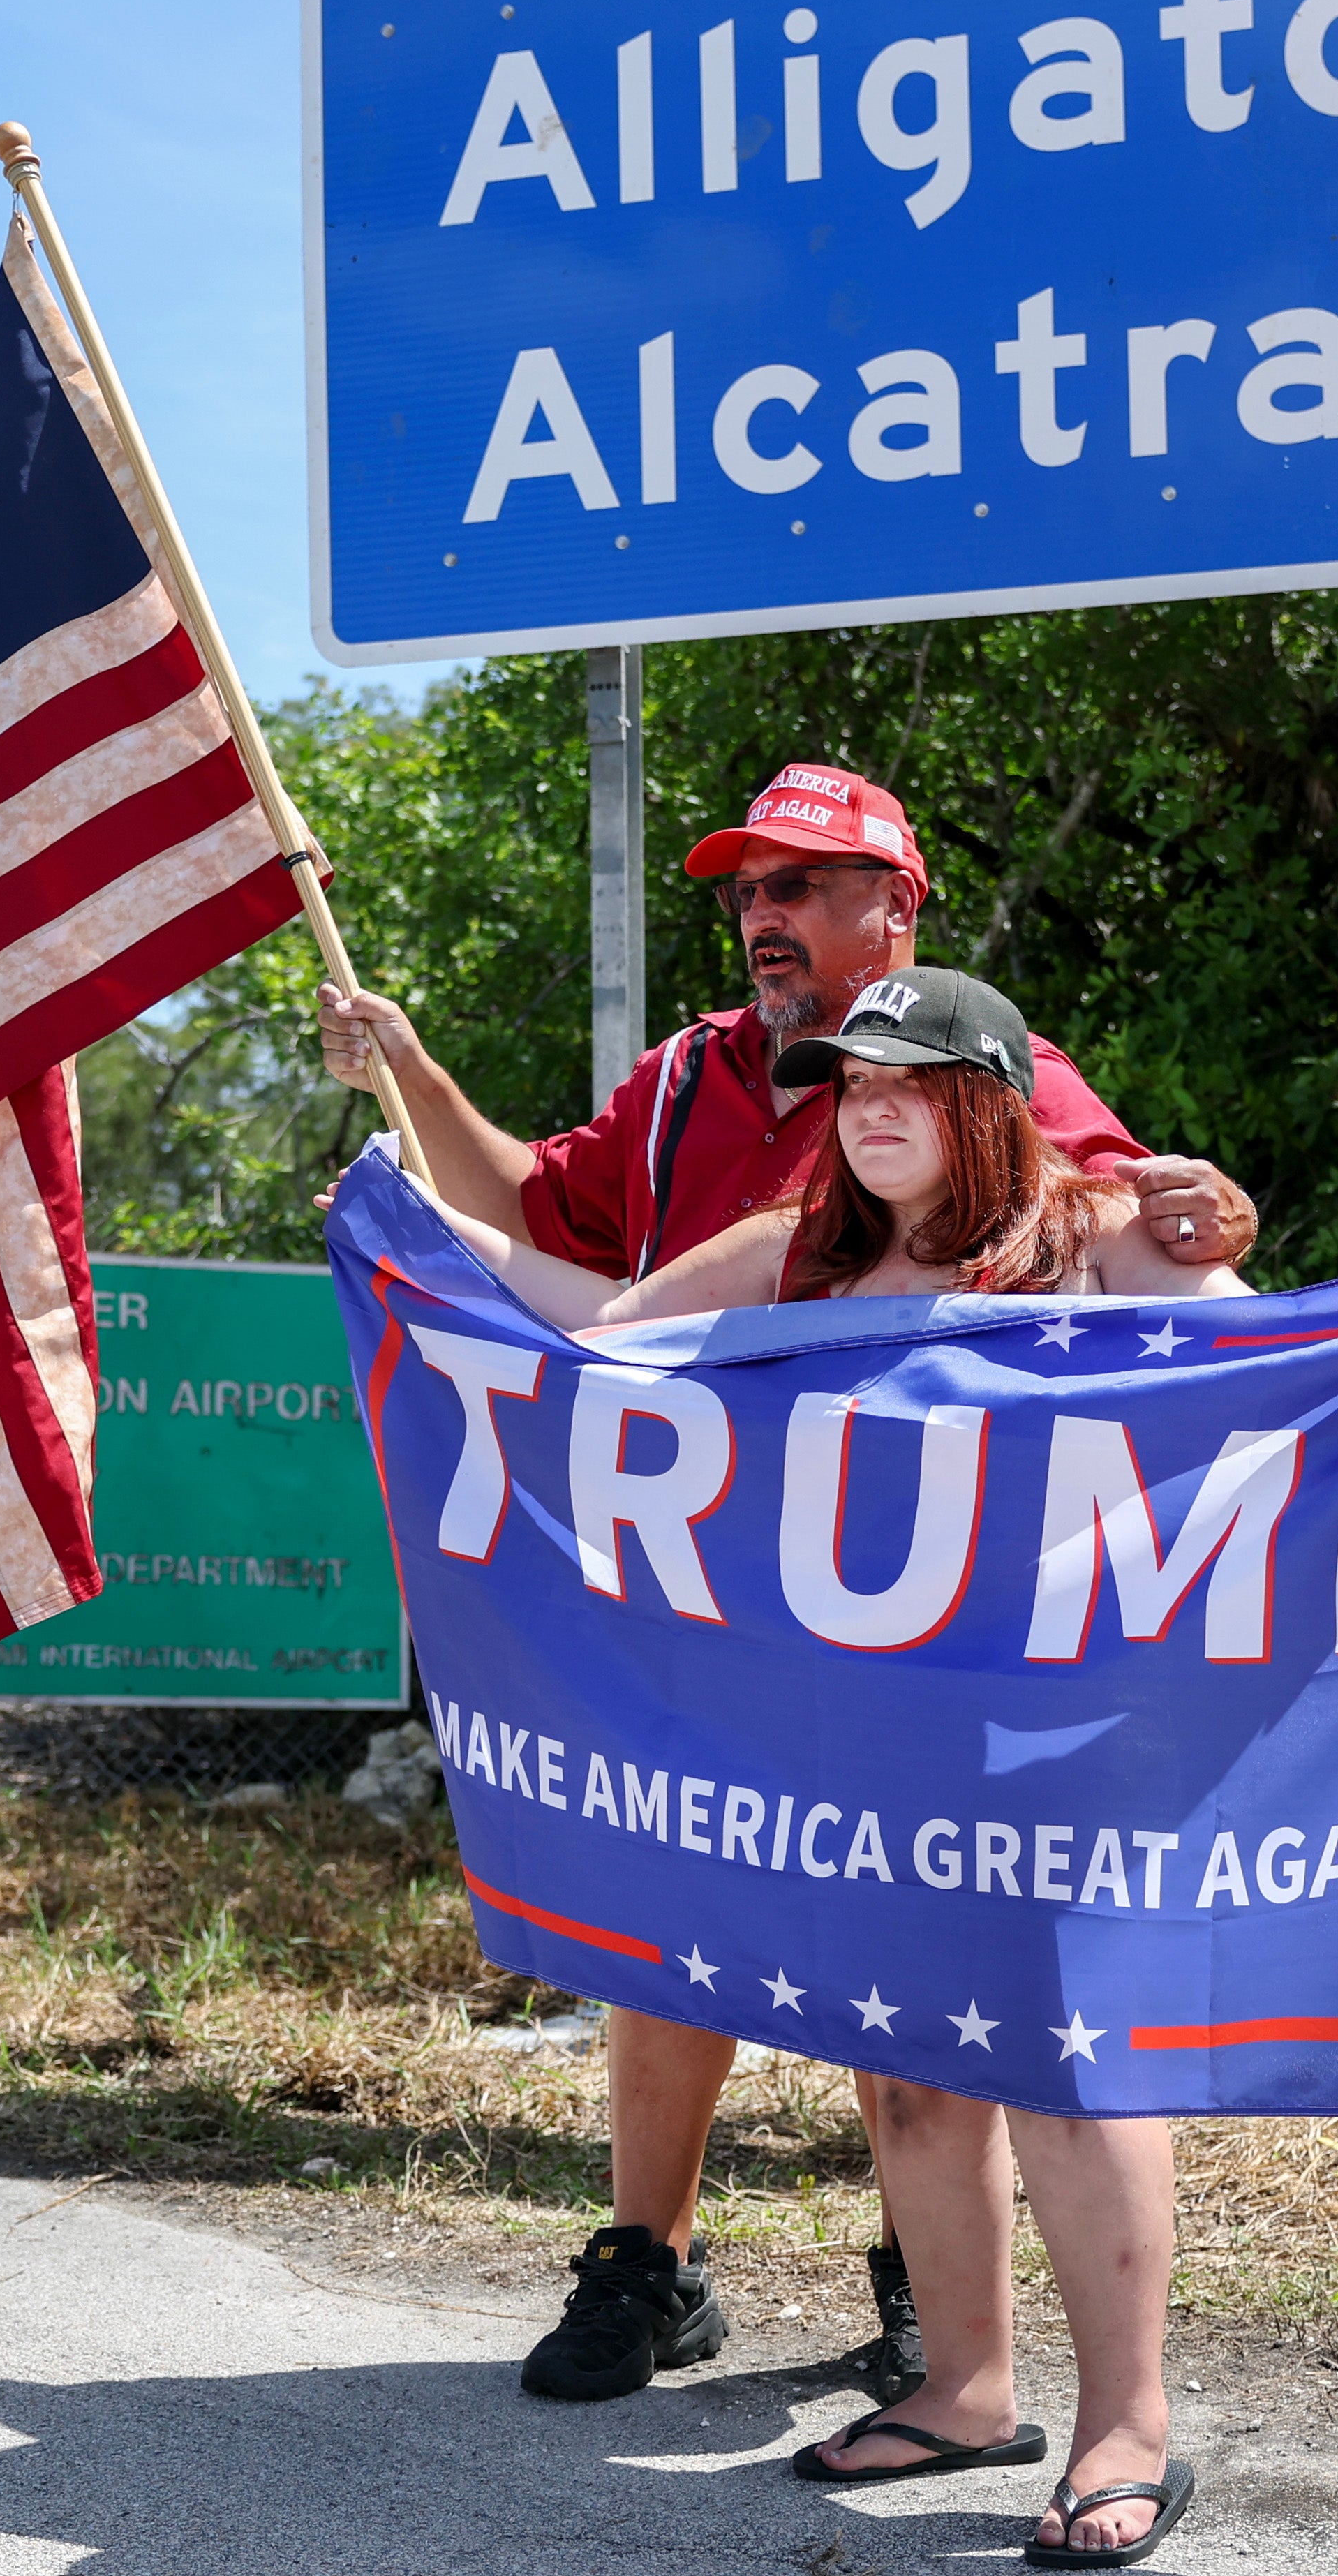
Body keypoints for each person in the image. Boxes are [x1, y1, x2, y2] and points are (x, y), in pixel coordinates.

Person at [316, 763, 1257, 2413]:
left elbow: (1126, 1240)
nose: (764, 914)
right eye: (749, 888)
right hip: (709, 1587)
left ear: (898, 906)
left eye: (805, 885)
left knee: (944, 1971)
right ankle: (651, 2258)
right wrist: (408, 1106)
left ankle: (949, 2317)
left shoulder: (1000, 1063)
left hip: (936, 1625)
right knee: (672, 1904)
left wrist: (1208, 1219)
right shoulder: (691, 1086)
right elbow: (553, 1246)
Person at [428, 965, 1221, 2566]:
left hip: (1060, 1740)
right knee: (916, 2062)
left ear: (992, 1102)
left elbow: (1277, 1398)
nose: (866, 1104)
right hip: (868, 1745)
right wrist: (408, 1223)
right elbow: (593, 1326)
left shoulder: (1103, 1229)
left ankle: (1127, 2425)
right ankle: (967, 2385)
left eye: (909, 1080)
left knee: (1065, 2063)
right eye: (849, 1081)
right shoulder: (801, 1250)